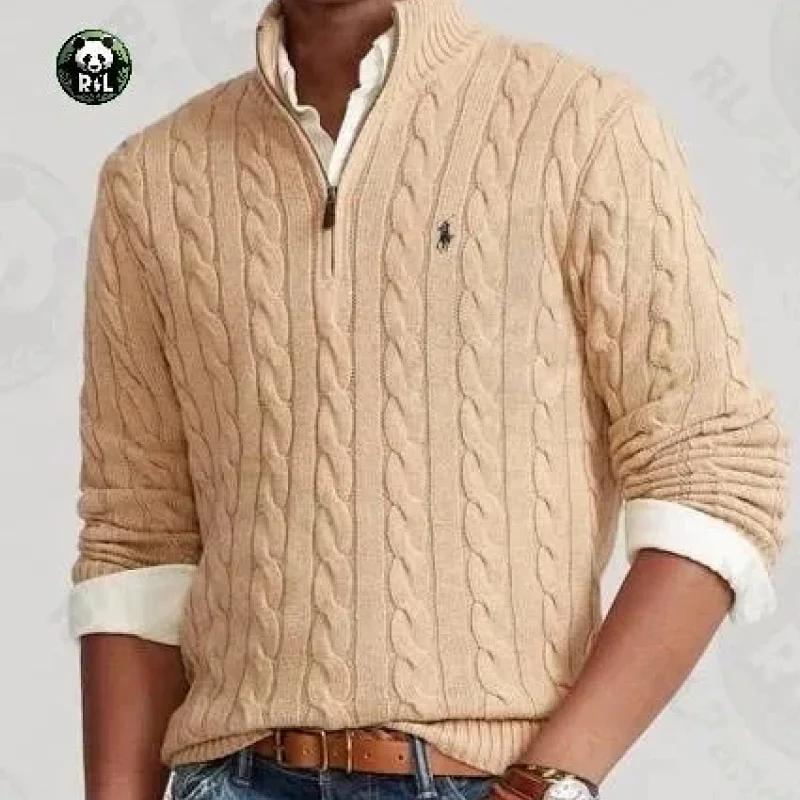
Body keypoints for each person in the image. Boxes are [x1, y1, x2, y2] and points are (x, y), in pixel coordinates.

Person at [67, 0, 791, 798]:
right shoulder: (152, 177)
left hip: (484, 779)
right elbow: (138, 539)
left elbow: (715, 472)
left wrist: (547, 782)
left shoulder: (583, 124)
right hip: (231, 777)